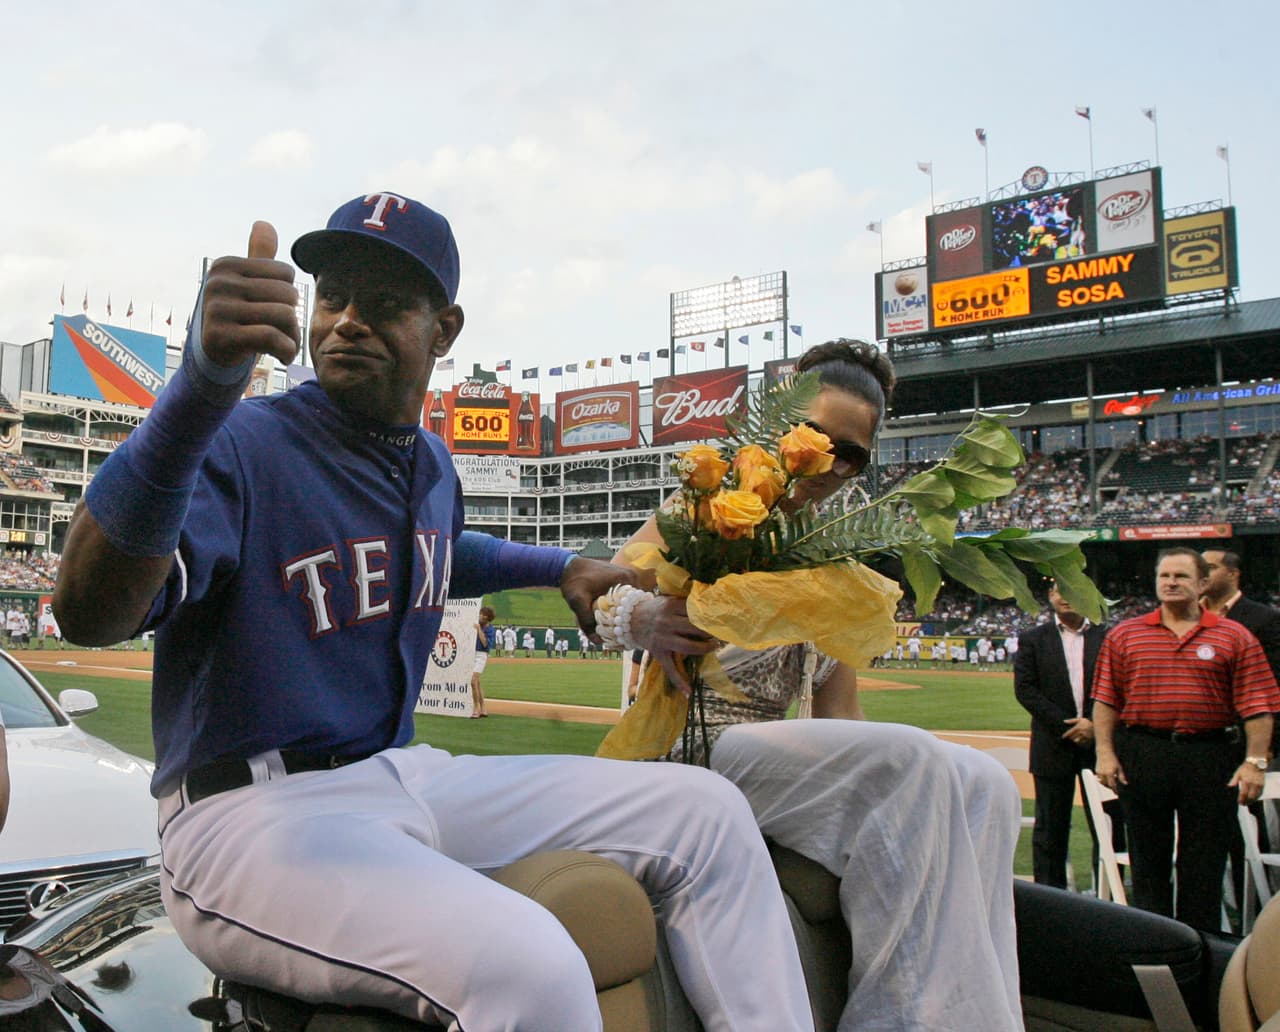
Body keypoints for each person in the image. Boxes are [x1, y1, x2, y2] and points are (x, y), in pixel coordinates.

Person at [51, 192, 813, 1031]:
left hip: (396, 773)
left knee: (705, 813)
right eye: (333, 296)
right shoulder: (242, 442)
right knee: (530, 965)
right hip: (246, 820)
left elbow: (451, 547)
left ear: (444, 331)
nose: (346, 322)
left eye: (383, 305)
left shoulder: (432, 467)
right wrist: (197, 395)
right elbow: (88, 612)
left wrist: (562, 566)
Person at [617, 339, 1024, 1032]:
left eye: (853, 453)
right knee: (913, 763)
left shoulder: (833, 556)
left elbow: (841, 707)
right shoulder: (706, 511)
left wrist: (911, 800)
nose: (829, 463)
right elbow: (609, 594)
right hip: (691, 748)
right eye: (818, 437)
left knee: (984, 783)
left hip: (779, 762)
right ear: (781, 427)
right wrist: (646, 616)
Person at [1092, 547, 1280, 930]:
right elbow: (1106, 699)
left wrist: (1255, 761)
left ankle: (1200, 949)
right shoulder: (1126, 634)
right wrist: (1105, 752)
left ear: (1201, 584)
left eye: (1181, 576)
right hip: (1144, 751)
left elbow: (1258, 704)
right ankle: (1153, 949)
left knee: (1204, 861)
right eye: (1165, 576)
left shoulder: (1234, 636)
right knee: (1148, 861)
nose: (1171, 583)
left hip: (1209, 754)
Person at [1013, 583, 1108, 889]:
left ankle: (1105, 893)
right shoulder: (1033, 639)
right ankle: (1052, 901)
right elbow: (1026, 690)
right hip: (1054, 744)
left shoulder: (1107, 636)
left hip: (1101, 745)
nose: (1065, 596)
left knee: (1107, 827)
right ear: (1050, 597)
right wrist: (1069, 726)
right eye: (1057, 591)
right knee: (1050, 831)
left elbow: (1122, 685)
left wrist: (1093, 723)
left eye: (1072, 589)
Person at [471, 605, 495, 718]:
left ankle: (476, 707)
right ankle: (483, 707)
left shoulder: (490, 629)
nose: (480, 616)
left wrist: (479, 630)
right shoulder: (475, 625)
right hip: (472, 654)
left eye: (482, 614)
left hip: (481, 655)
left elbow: (485, 643)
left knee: (473, 681)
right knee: (477, 683)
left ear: (486, 617)